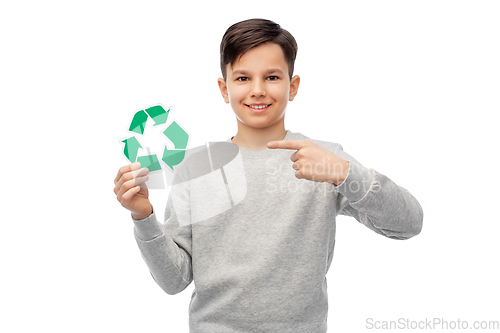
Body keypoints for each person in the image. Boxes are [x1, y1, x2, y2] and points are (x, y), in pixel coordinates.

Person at [113, 18, 423, 333]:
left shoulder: (324, 160)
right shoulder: (197, 168)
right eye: (243, 78)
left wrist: (346, 173)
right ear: (224, 89)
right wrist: (144, 217)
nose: (258, 90)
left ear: (293, 86)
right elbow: (174, 280)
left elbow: (409, 224)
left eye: (272, 76)